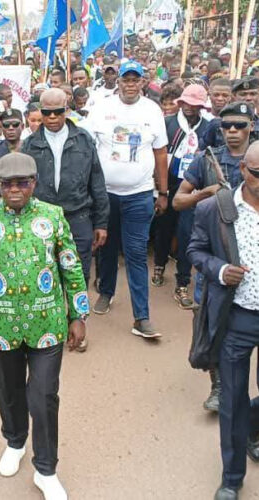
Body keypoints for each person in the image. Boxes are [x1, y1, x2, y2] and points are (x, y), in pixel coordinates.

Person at [0, 152, 89, 500]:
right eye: (8, 184)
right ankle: (15, 441)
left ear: (34, 183)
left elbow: (71, 266)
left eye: (23, 183)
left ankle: (46, 470)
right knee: (9, 392)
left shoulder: (53, 216)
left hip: (47, 323)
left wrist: (78, 315)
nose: (15, 189)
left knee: (44, 396)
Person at [186, 142, 259, 500]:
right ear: (243, 169)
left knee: (246, 406)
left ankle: (251, 428)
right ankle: (231, 478)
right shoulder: (214, 208)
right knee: (231, 397)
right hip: (237, 317)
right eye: (258, 173)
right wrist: (219, 269)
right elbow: (195, 251)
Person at [173, 101, 254, 413]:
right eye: (226, 125)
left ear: (251, 127)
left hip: (252, 253)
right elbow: (178, 201)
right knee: (211, 321)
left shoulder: (255, 158)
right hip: (216, 254)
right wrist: (204, 194)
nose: (232, 131)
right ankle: (218, 386)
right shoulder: (207, 160)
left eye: (239, 125)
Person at [81, 61, 169, 339]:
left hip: (139, 194)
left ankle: (141, 317)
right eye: (125, 80)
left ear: (142, 82)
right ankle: (106, 292)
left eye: (135, 80)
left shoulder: (152, 110)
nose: (130, 84)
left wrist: (163, 192)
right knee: (105, 247)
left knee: (136, 253)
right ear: (117, 81)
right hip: (105, 194)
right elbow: (86, 145)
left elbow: (160, 153)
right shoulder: (102, 108)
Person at [21, 88, 109, 352]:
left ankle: (78, 324)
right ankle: (47, 325)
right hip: (41, 219)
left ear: (66, 110)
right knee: (42, 271)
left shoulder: (84, 140)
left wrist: (101, 223)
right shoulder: (29, 144)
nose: (52, 117)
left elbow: (97, 182)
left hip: (78, 216)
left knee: (78, 273)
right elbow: (22, 186)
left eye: (57, 112)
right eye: (46, 112)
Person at [151, 84, 210, 309]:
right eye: (185, 103)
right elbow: (158, 155)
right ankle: (159, 264)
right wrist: (160, 189)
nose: (189, 108)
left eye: (194, 105)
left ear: (201, 107)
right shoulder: (168, 123)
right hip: (170, 183)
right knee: (164, 226)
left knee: (186, 233)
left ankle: (182, 282)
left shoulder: (207, 127)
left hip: (193, 187)